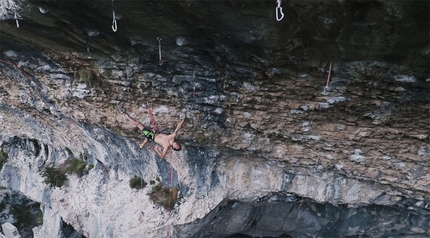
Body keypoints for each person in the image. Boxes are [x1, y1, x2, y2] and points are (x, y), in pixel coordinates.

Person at [121, 110, 185, 159]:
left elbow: (162, 156)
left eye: (176, 147)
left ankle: (125, 115)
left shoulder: (166, 146)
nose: (177, 145)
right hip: (155, 132)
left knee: (138, 124)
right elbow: (177, 128)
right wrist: (183, 120)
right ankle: (142, 144)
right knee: (146, 137)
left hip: (151, 136)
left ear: (173, 148)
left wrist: (156, 150)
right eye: (178, 145)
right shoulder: (172, 137)